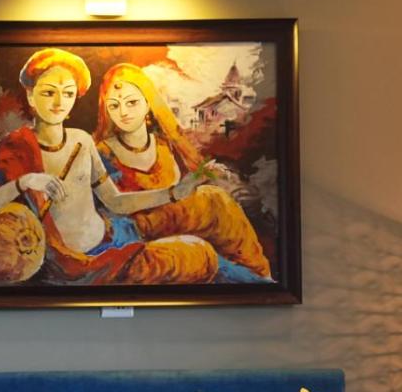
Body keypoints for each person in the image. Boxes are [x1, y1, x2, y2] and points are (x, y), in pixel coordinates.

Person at [0, 49, 216, 285]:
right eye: (49, 92)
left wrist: (174, 193)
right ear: (31, 96)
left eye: (68, 93)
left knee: (210, 226)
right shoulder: (14, 147)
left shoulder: (81, 140)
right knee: (200, 257)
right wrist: (25, 182)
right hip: (81, 265)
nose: (59, 102)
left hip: (115, 234)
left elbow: (115, 202)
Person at [94, 62, 272, 280]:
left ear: (148, 103)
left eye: (131, 103)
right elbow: (114, 205)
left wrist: (201, 178)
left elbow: (187, 186)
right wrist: (174, 193)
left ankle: (260, 274)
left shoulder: (164, 145)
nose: (123, 112)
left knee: (217, 201)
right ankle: (254, 280)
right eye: (114, 106)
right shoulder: (102, 152)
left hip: (174, 221)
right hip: (135, 229)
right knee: (209, 221)